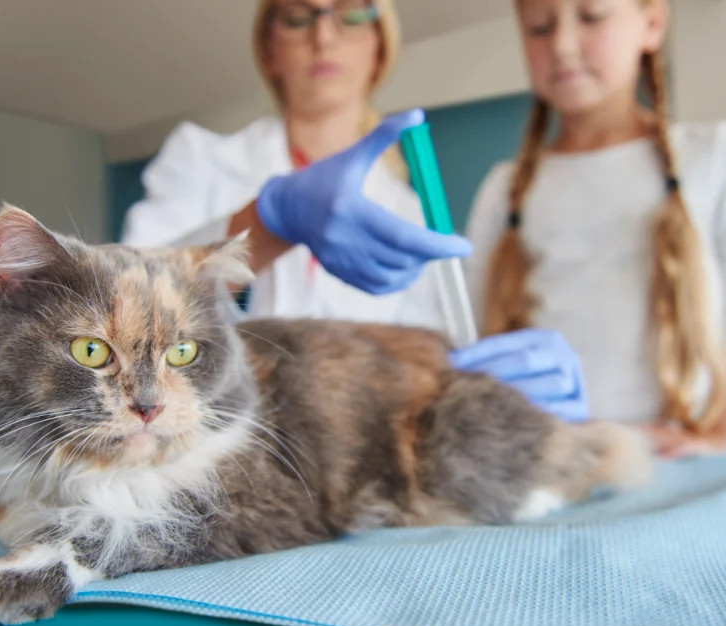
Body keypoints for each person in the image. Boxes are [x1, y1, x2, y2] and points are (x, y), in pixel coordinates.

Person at [122, 0, 588, 422]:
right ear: (269, 51)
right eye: (298, 17)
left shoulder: (410, 212)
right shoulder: (200, 160)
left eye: (351, 13)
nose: (323, 36)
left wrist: (494, 386)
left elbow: (434, 362)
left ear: (380, 48)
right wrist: (266, 223)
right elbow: (125, 301)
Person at [461, 0, 726, 456]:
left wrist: (722, 438)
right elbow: (470, 337)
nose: (563, 46)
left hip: (676, 460)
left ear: (651, 24)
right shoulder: (502, 189)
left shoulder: (718, 156)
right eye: (539, 28)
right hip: (548, 463)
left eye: (591, 17)